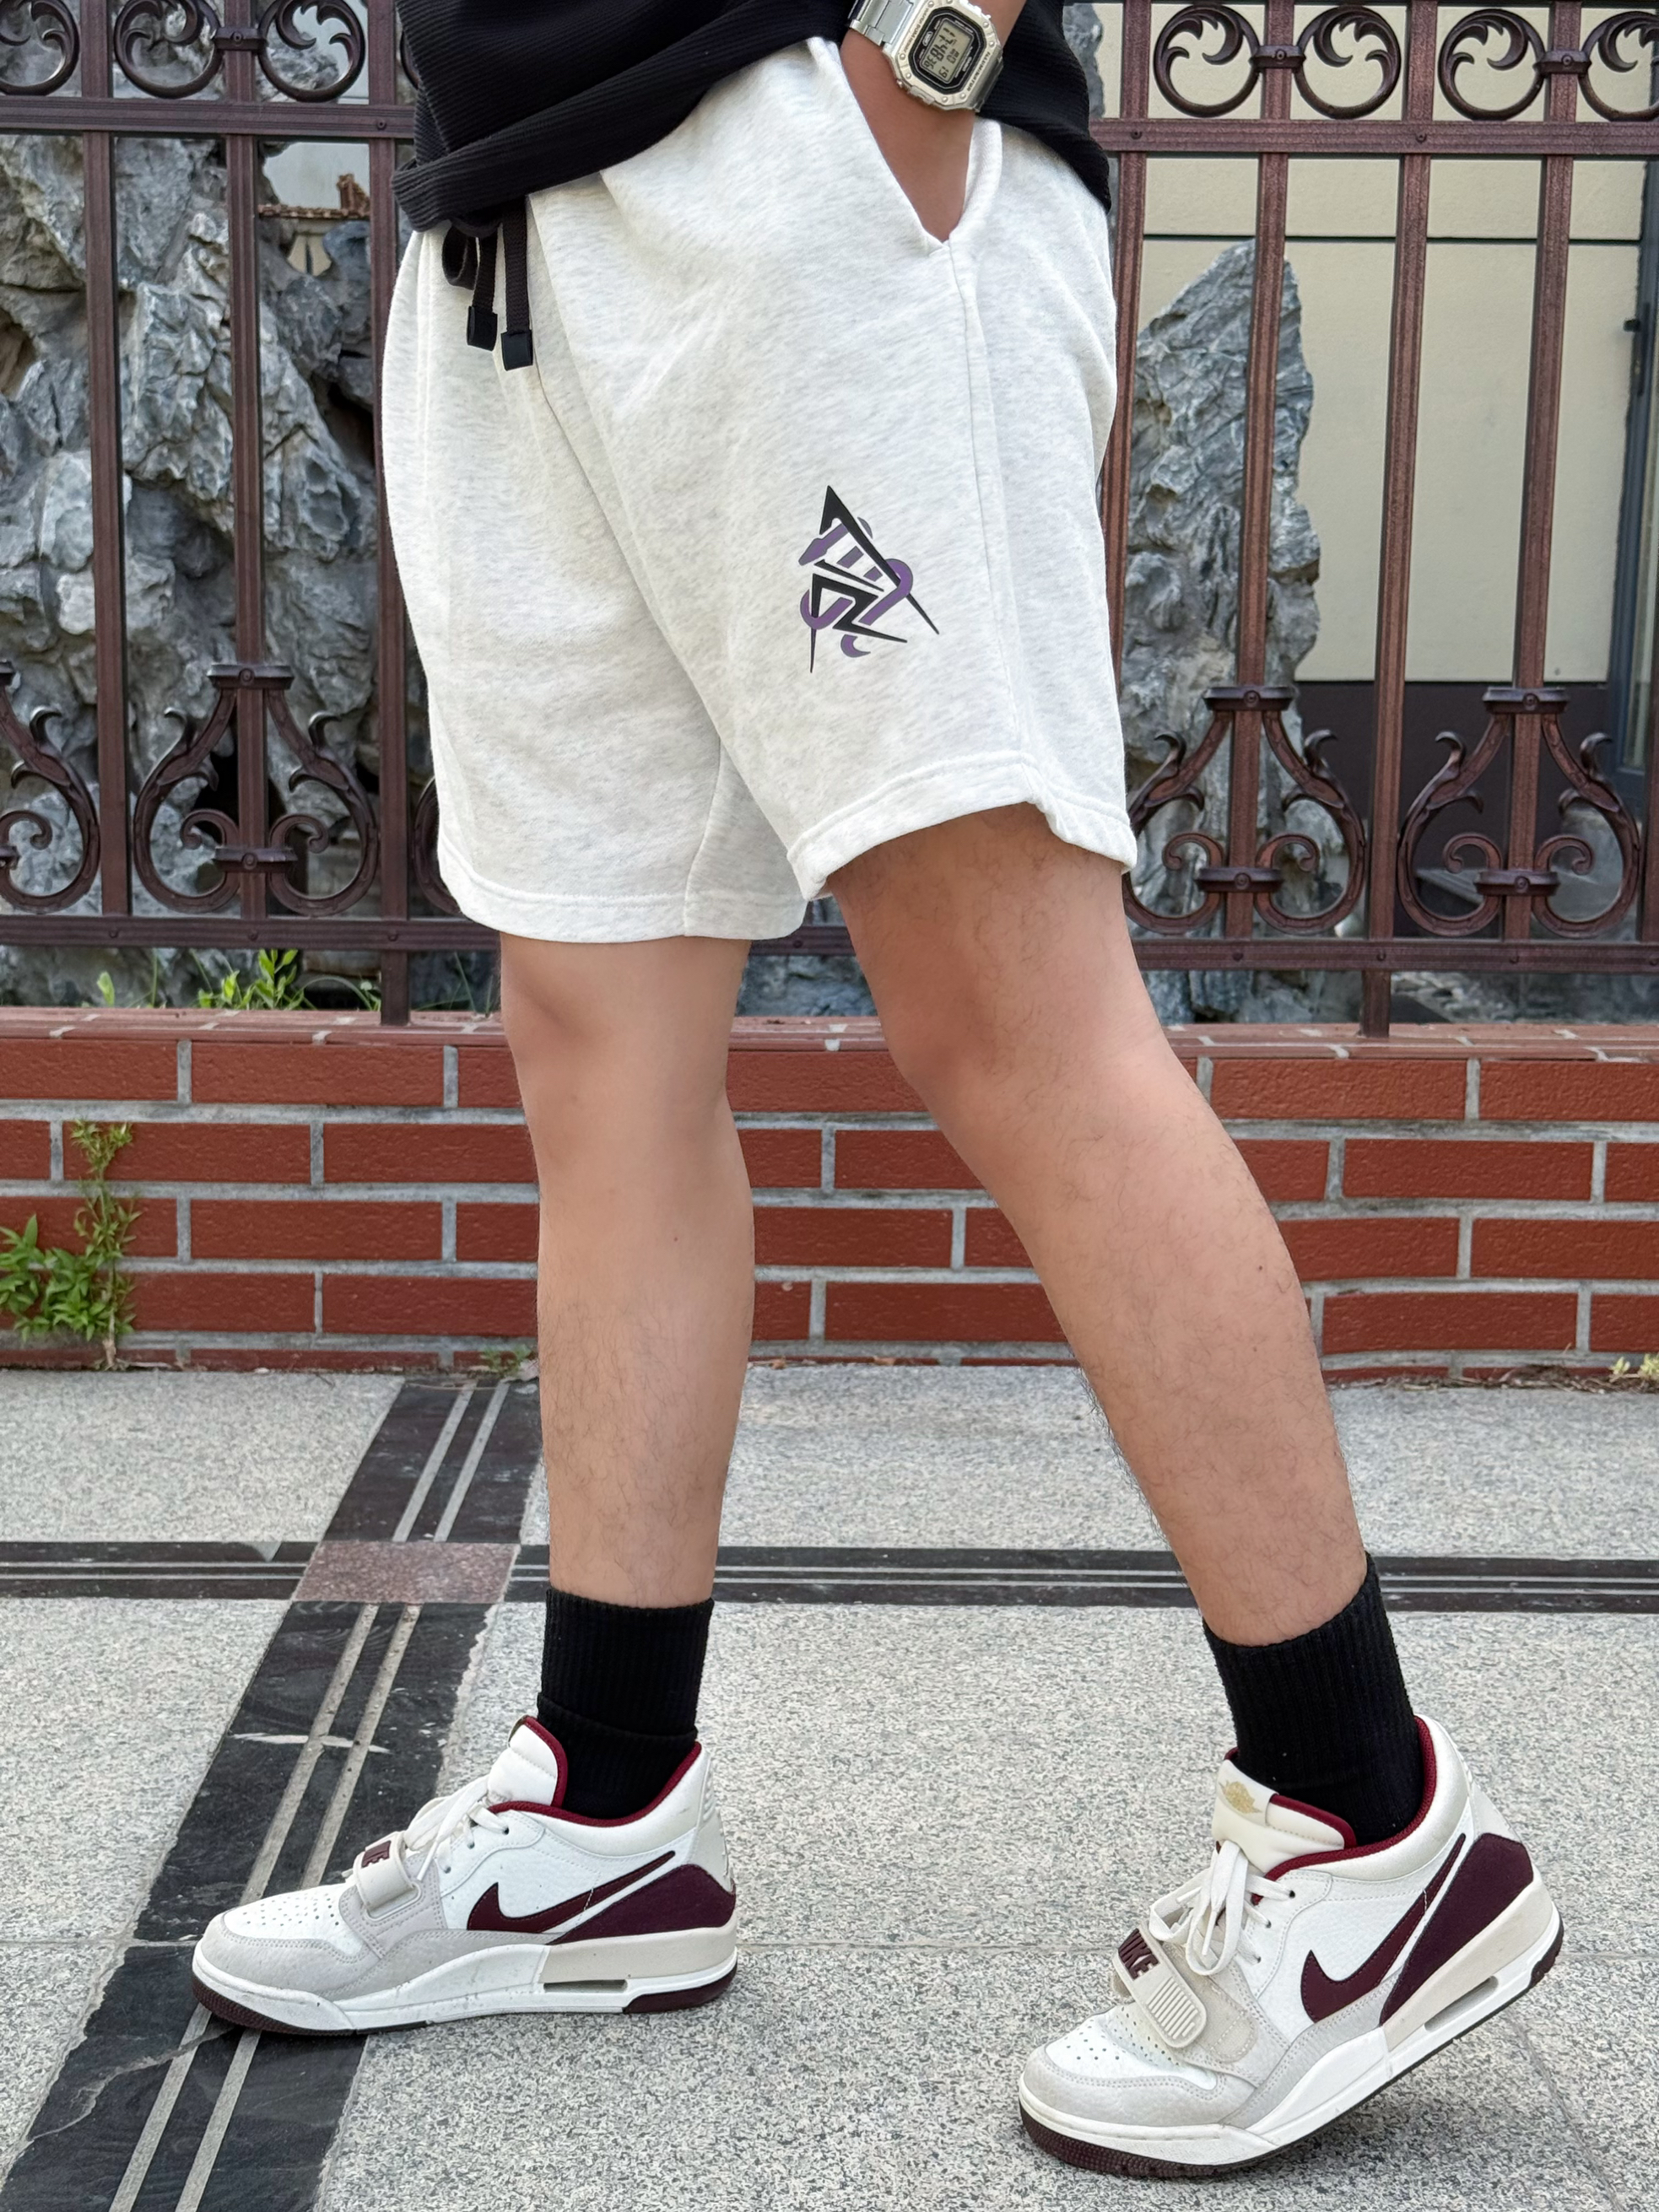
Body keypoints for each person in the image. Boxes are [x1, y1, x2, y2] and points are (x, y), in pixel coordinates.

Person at [191, 0, 1561, 2175]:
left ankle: (1371, 1823)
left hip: (809, 164)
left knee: (1012, 1012)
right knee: (596, 1036)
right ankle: (607, 1815)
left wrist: (920, 70)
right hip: (514, 228)